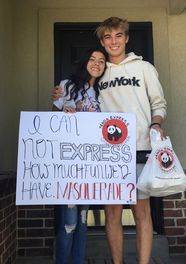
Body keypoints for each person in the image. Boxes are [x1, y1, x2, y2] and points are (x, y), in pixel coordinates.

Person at [52, 17, 167, 264]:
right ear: (103, 43)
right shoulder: (99, 72)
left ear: (126, 38)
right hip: (107, 153)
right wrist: (61, 98)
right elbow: (79, 99)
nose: (113, 41)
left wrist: (156, 123)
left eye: (118, 36)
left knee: (141, 212)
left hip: (139, 147)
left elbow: (158, 103)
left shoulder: (144, 68)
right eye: (108, 37)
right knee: (112, 213)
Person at [52, 47, 106, 264]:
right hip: (69, 166)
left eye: (102, 61)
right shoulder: (67, 86)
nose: (96, 64)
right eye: (92, 59)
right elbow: (53, 120)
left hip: (92, 166)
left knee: (83, 222)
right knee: (69, 222)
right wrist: (63, 112)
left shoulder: (104, 92)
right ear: (84, 62)